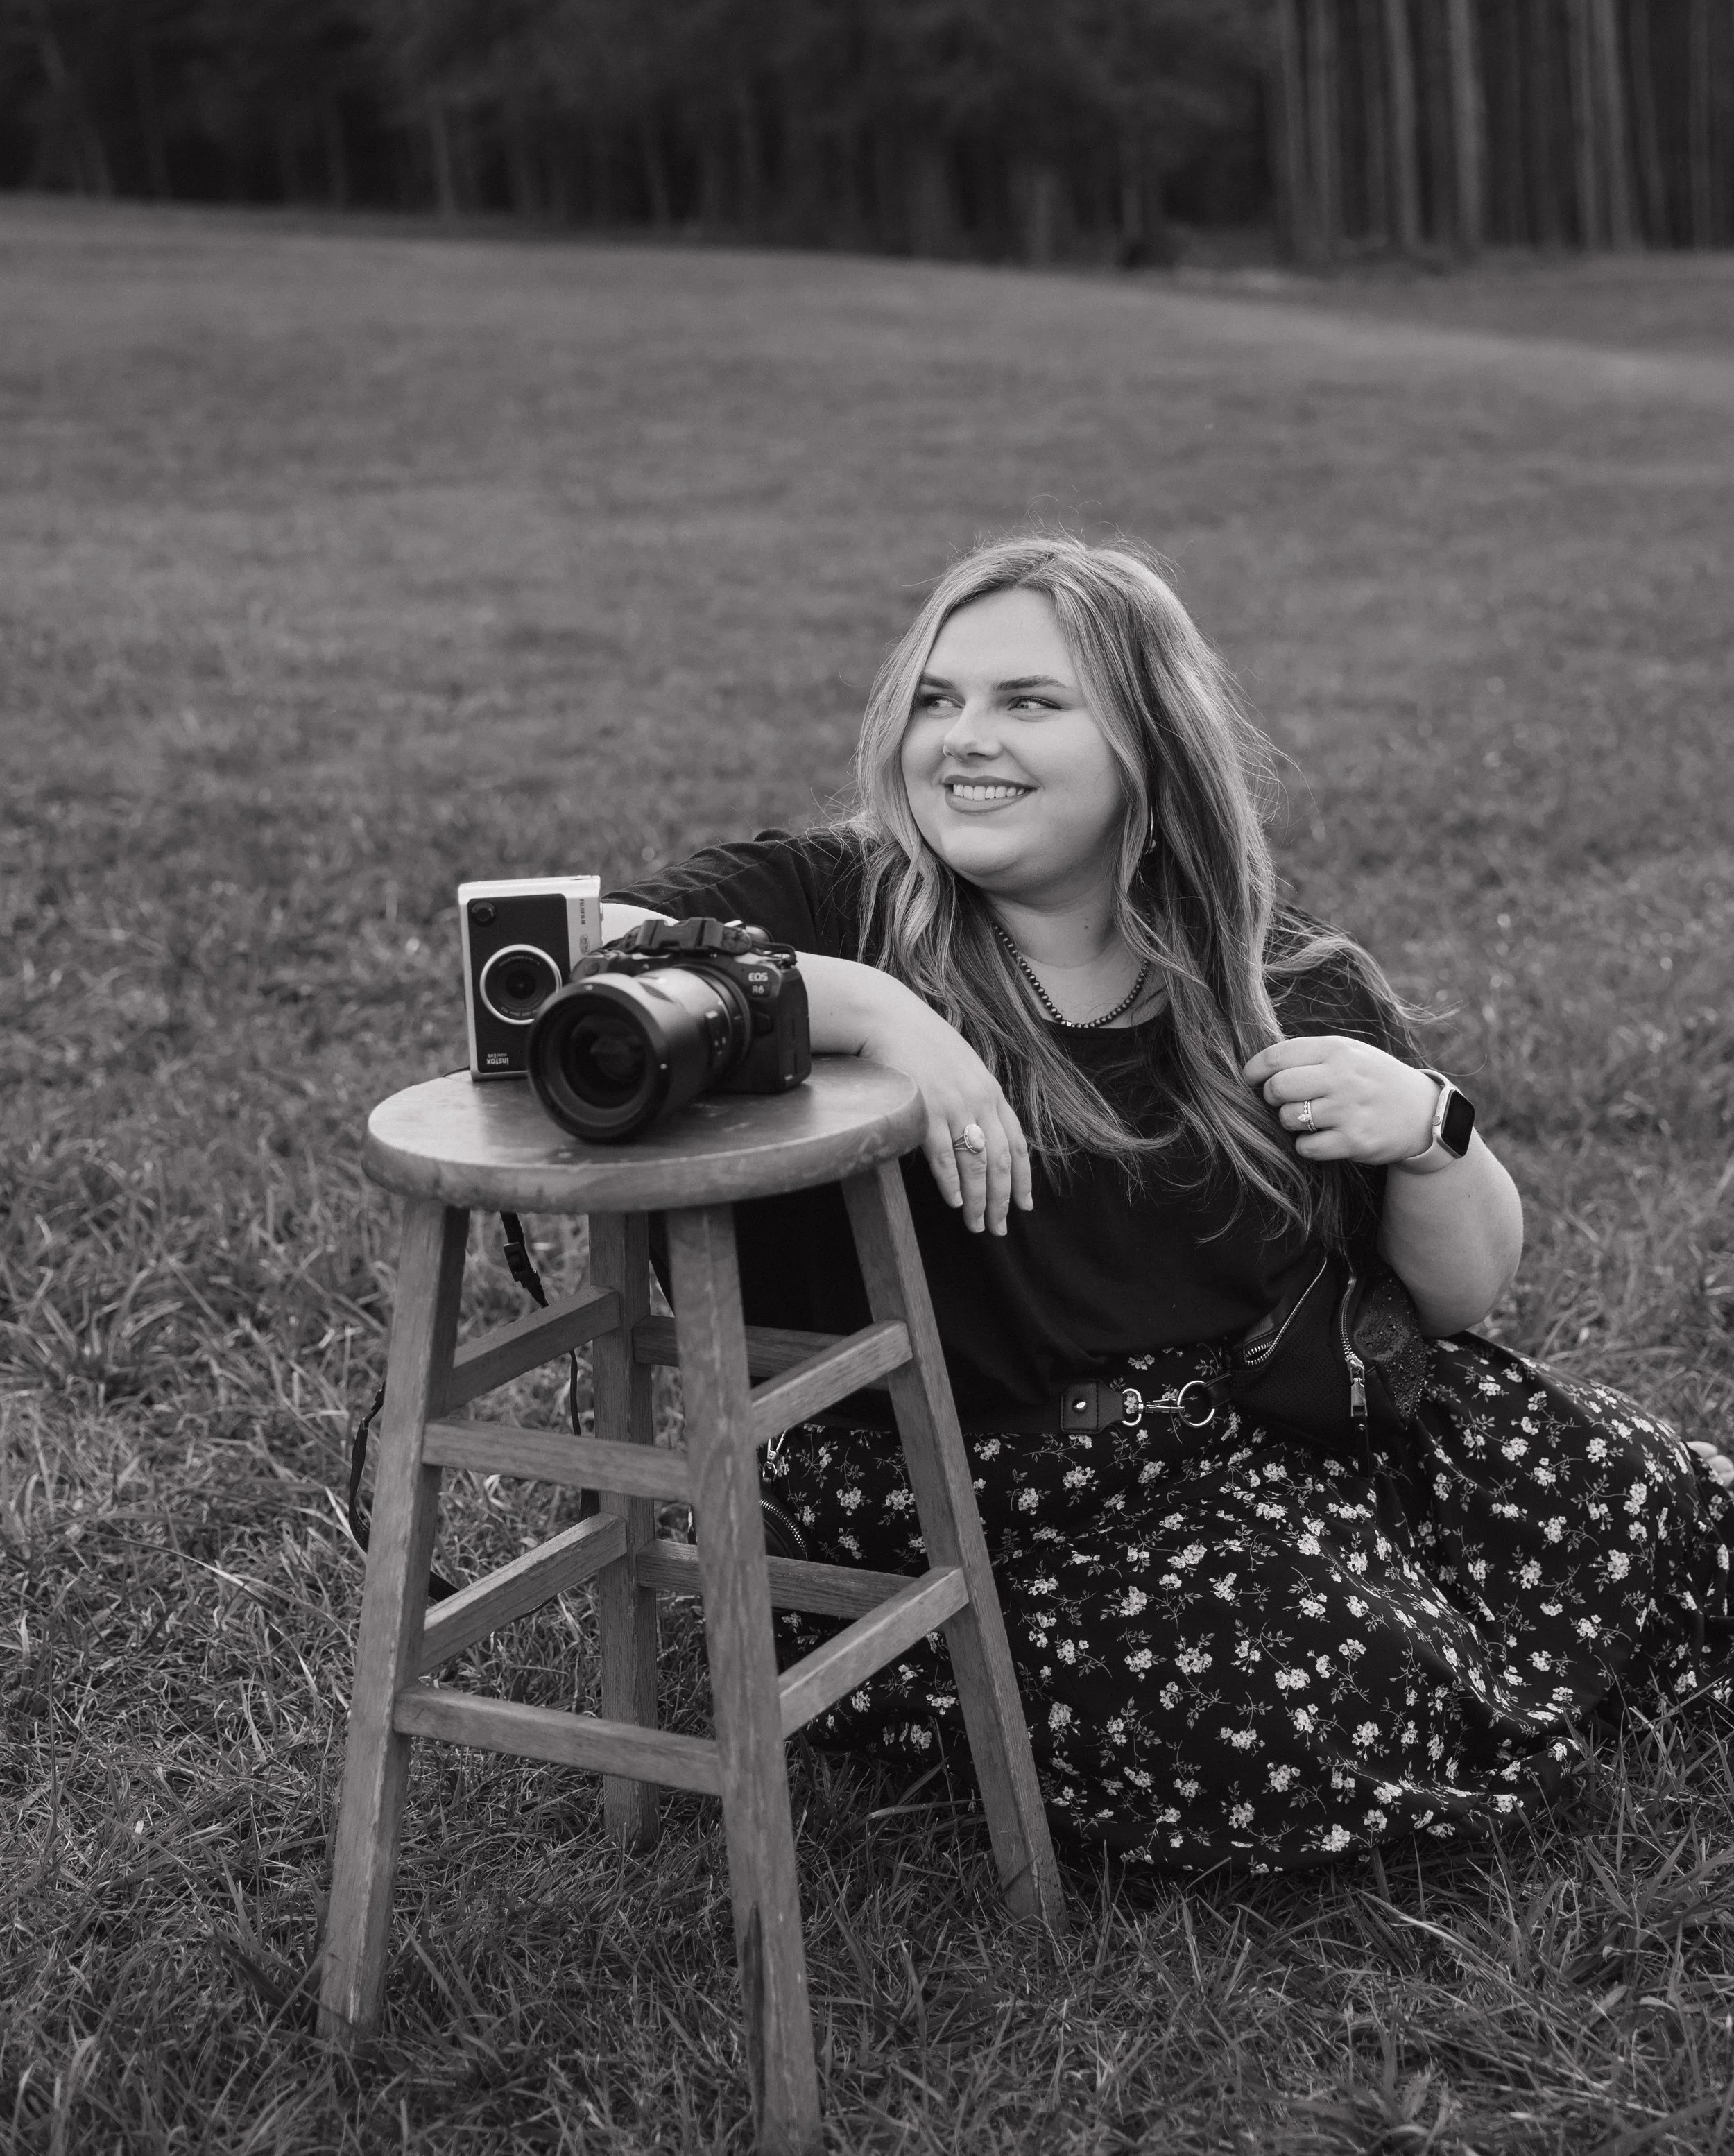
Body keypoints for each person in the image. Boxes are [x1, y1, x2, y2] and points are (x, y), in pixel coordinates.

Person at [606, 532, 1733, 1874]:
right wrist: (876, 1010)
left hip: (1260, 1424)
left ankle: (1420, 1606)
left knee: (1671, 1510)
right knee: (1321, 1690)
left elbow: (1459, 1297)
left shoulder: (1258, 971)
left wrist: (1429, 1136)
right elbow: (549, 959)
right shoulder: (833, 902)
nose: (963, 739)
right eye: (935, 698)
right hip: (965, 1516)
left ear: (1149, 741)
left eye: (1029, 701)